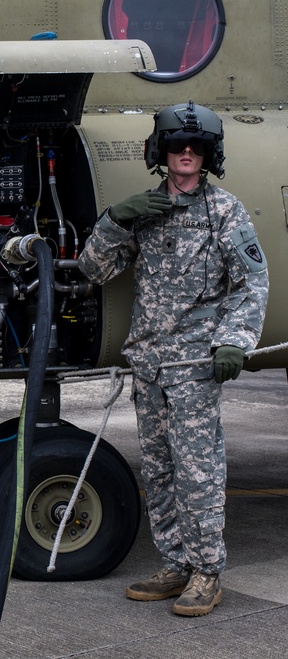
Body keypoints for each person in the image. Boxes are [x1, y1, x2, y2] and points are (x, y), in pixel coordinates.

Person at [77, 101, 269, 616]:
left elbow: (251, 282)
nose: (186, 153)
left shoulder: (225, 211)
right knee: (159, 469)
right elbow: (94, 272)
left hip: (194, 368)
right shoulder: (142, 211)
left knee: (198, 470)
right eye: (177, 146)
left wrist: (234, 340)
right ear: (160, 152)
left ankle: (206, 572)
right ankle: (175, 563)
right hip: (150, 365)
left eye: (196, 147)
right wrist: (116, 220)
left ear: (209, 155)